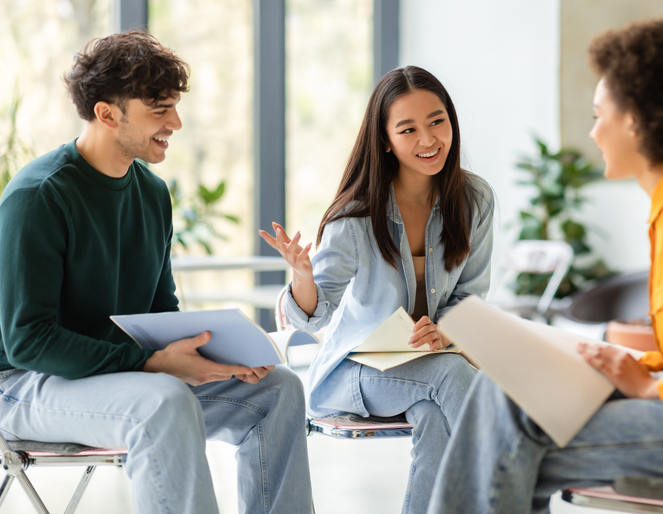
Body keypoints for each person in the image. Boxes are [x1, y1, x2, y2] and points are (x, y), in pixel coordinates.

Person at [426, 18, 663, 514]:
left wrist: (656, 386)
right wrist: (625, 367)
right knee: (499, 396)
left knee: (503, 442)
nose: (593, 131)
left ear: (633, 121)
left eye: (598, 114)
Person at [0, 30, 312, 514]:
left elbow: (162, 313)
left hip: (120, 378)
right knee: (164, 401)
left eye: (174, 107)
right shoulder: (39, 196)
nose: (176, 122)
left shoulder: (151, 193)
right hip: (23, 386)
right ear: (107, 113)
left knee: (279, 390)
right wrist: (152, 363)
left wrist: (217, 355)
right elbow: (29, 343)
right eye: (159, 110)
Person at [260, 65, 494, 514]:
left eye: (437, 121)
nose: (428, 140)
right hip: (356, 372)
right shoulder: (356, 215)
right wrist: (303, 277)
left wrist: (445, 332)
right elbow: (317, 314)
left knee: (435, 416)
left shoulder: (475, 201)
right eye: (408, 129)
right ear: (386, 139)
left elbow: (472, 295)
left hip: (432, 368)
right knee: (453, 376)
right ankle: (510, 487)